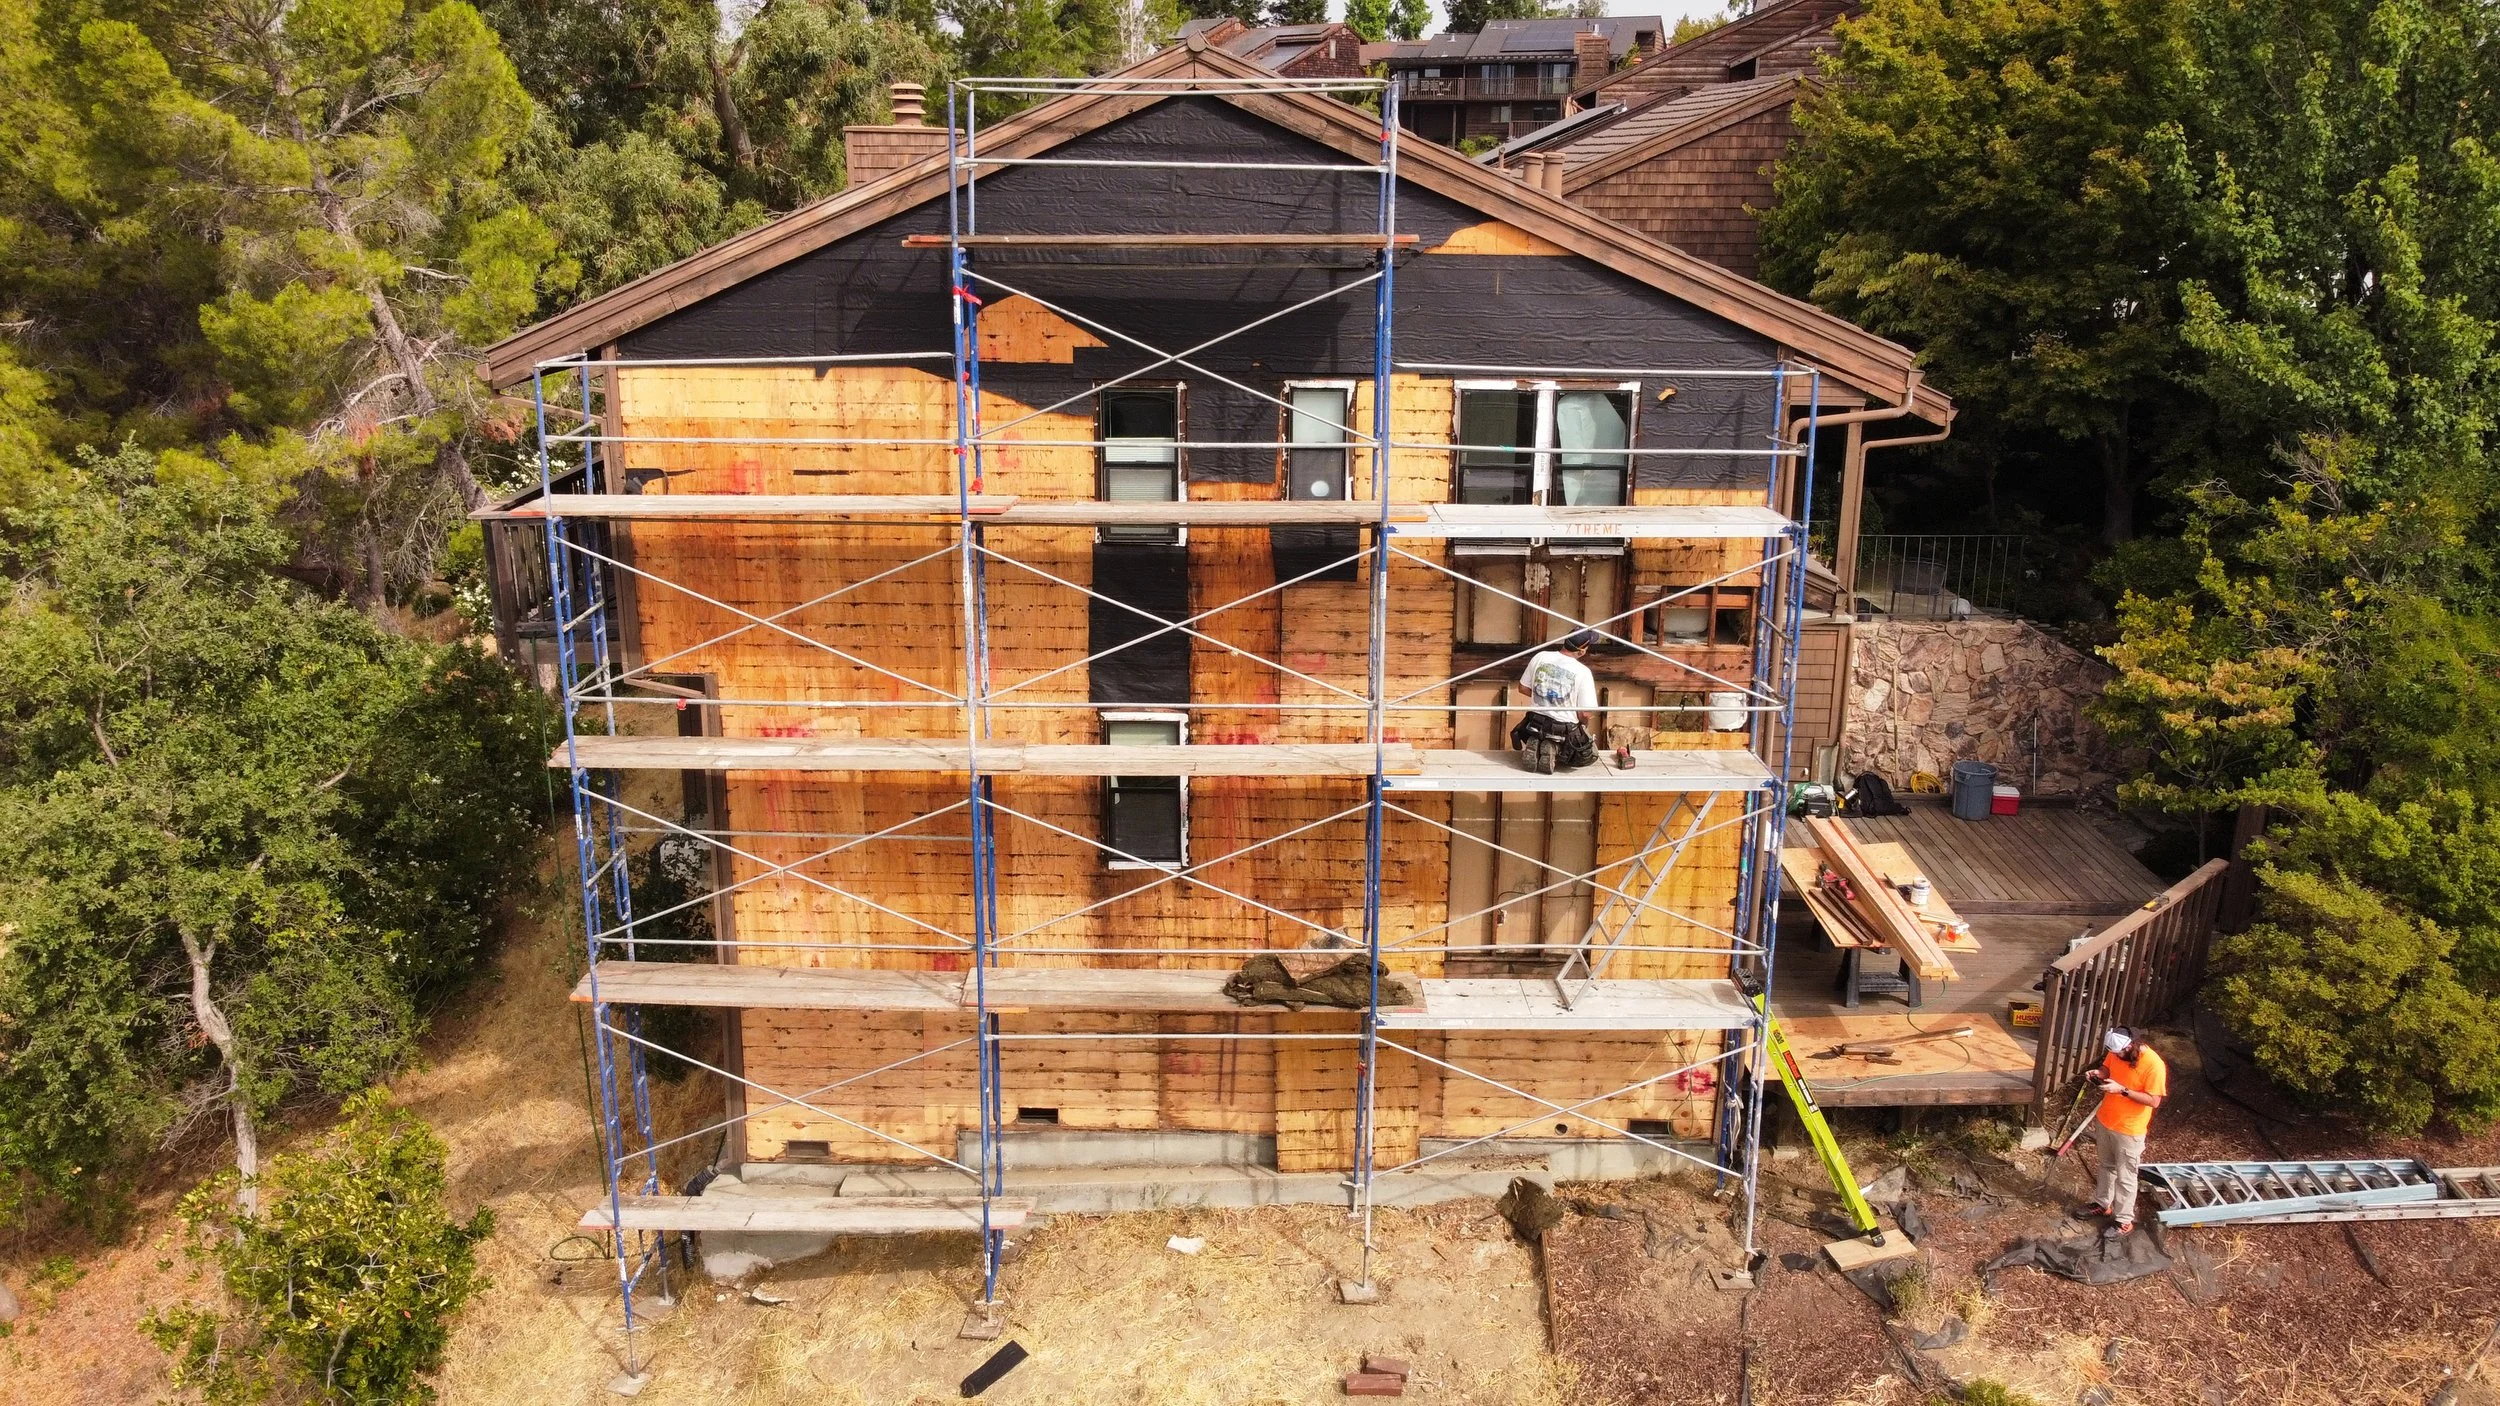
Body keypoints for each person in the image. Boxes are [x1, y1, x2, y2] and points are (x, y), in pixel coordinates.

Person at [2081, 1026, 2166, 1235]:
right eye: (2114, 1052)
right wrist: (2097, 1073)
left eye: (2121, 1052)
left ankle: (2124, 1220)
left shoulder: (2154, 1065)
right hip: (2106, 1121)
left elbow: (2154, 1101)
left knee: (2126, 1176)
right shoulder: (2115, 1051)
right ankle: (2102, 1204)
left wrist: (2123, 1090)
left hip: (2130, 1130)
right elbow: (2107, 1069)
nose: (2117, 1055)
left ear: (2132, 1045)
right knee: (2106, 1166)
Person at [1513, 629, 1601, 770]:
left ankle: (1538, 742)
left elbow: (1523, 688)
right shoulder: (1583, 672)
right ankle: (1556, 749)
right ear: (1581, 651)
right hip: (1563, 729)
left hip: (1534, 721)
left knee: (1537, 728)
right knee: (1590, 755)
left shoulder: (1540, 656)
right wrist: (1583, 726)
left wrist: (1544, 697)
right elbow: (1585, 713)